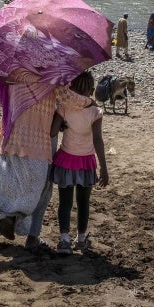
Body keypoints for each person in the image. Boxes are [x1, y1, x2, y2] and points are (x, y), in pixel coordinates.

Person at [0, 69, 93, 254]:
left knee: (11, 181)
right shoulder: (53, 70)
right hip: (40, 138)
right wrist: (89, 102)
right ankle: (27, 232)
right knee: (42, 189)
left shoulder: (13, 69)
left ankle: (5, 214)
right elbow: (67, 98)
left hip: (13, 134)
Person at [50, 71, 109, 255]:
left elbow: (52, 132)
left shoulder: (65, 108)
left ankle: (64, 239)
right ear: (92, 91)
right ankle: (81, 239)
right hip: (86, 163)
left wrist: (60, 122)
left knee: (65, 202)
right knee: (84, 202)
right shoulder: (95, 112)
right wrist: (104, 169)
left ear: (71, 88)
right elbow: (98, 141)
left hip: (66, 160)